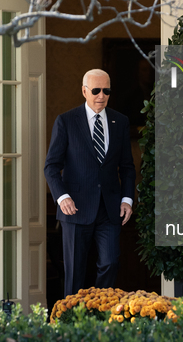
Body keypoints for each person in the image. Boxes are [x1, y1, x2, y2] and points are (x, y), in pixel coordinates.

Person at [44, 69, 136, 297]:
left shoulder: (120, 121)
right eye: (96, 91)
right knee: (74, 271)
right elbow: (51, 166)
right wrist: (62, 197)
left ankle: (100, 315)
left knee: (110, 263)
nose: (101, 96)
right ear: (84, 91)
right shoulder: (66, 121)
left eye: (106, 91)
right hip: (75, 209)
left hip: (109, 208)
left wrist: (127, 199)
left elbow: (126, 166)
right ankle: (72, 323)